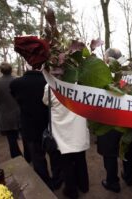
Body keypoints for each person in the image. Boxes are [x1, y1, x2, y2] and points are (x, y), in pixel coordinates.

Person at [42, 69, 90, 199]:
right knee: (80, 158)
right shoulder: (78, 84)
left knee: (66, 162)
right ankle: (84, 185)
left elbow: (46, 102)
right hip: (77, 128)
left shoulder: (50, 86)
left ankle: (71, 191)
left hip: (62, 131)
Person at [97, 48, 132, 193]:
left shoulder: (102, 75)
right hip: (126, 120)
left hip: (108, 121)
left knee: (110, 153)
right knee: (126, 149)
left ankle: (112, 182)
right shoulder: (129, 75)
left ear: (108, 59)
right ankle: (129, 177)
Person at [10, 67, 52, 188]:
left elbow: (17, 99)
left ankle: (45, 183)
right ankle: (57, 180)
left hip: (30, 125)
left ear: (26, 67)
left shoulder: (16, 83)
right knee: (54, 155)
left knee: (38, 158)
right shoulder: (48, 80)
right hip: (48, 124)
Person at [0, 62, 22, 158]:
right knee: (25, 137)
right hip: (20, 112)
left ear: (1, 70)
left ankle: (17, 157)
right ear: (11, 70)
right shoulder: (18, 80)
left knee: (11, 140)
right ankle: (29, 157)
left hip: (5, 114)